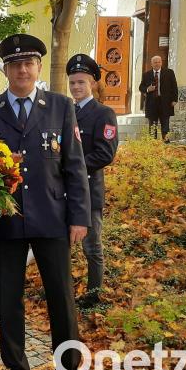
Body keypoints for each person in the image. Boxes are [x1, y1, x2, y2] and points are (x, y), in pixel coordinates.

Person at [0, 34, 90, 370]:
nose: (22, 69)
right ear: (6, 69)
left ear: (36, 68)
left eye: (29, 63)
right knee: (9, 300)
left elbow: (74, 166)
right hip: (5, 218)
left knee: (61, 300)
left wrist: (80, 216)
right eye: (15, 64)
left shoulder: (62, 106)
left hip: (52, 217)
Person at [67, 54, 119, 308]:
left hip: (88, 190)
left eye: (81, 82)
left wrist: (71, 166)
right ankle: (63, 290)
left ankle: (94, 292)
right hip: (63, 190)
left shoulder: (103, 114)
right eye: (73, 83)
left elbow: (105, 153)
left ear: (93, 84)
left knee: (91, 246)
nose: (76, 87)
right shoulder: (66, 111)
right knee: (61, 246)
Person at [138, 55, 178, 142]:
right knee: (152, 125)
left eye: (159, 62)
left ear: (161, 63)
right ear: (151, 64)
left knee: (165, 124)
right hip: (152, 103)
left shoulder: (169, 72)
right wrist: (148, 89)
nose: (157, 64)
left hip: (165, 102)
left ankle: (166, 142)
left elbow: (174, 86)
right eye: (155, 62)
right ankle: (153, 143)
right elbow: (141, 87)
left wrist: (175, 99)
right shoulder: (146, 75)